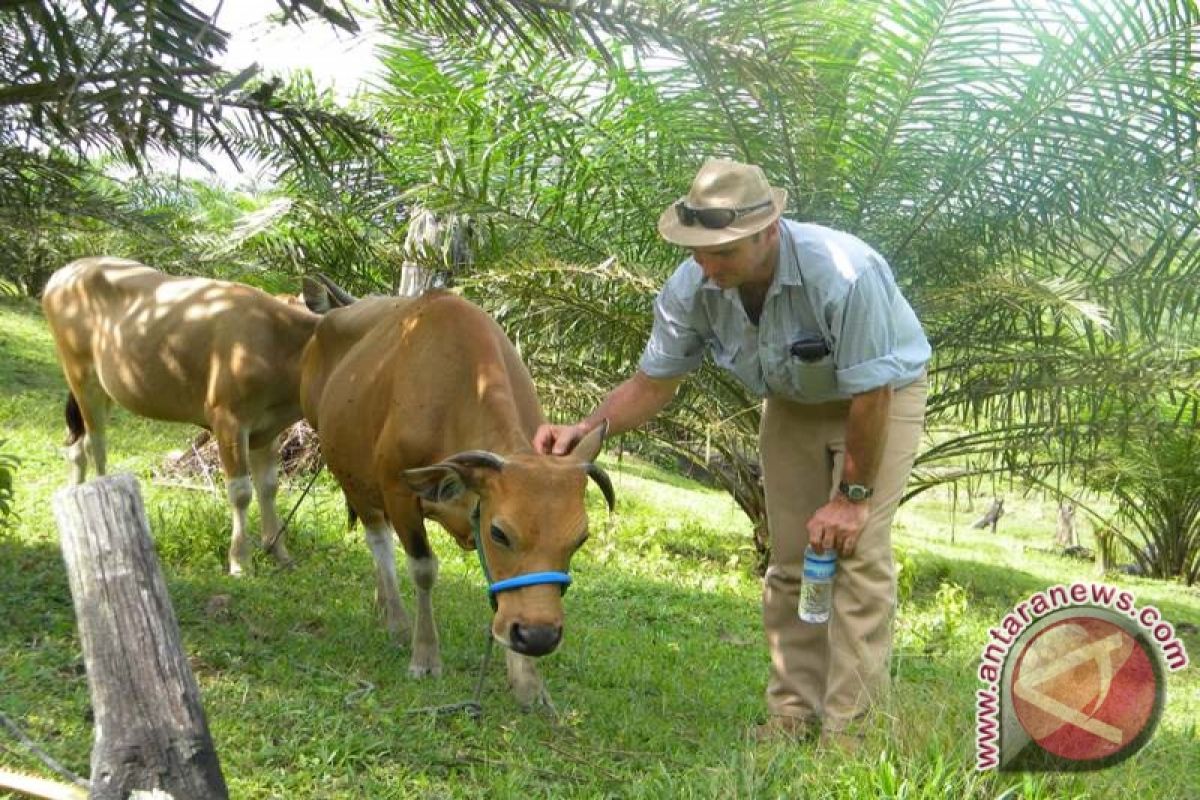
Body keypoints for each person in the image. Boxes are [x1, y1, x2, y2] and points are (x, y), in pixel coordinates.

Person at [532, 158, 931, 749]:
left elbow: (871, 392)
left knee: (858, 555)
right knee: (791, 560)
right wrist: (586, 428)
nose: (706, 265)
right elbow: (653, 384)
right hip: (792, 403)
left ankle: (852, 735)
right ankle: (790, 713)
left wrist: (852, 499)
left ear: (768, 232)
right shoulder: (693, 287)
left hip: (880, 398)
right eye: (698, 250)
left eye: (722, 253)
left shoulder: (845, 274)